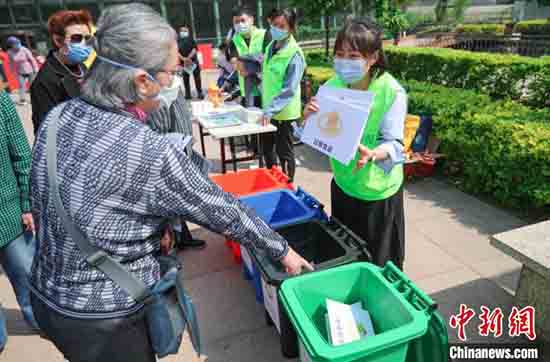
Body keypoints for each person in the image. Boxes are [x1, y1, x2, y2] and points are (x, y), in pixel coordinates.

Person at [29, 5, 312, 362]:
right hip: (106, 318)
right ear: (141, 81)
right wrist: (283, 251)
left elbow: (48, 195)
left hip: (48, 296)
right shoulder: (147, 148)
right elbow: (221, 208)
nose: (172, 83)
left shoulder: (59, 116)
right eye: (169, 73)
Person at [303, 19, 406, 269]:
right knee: (347, 253)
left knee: (379, 261)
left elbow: (395, 145)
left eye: (353, 55)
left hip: (376, 194)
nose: (344, 61)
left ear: (373, 57)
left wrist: (373, 153)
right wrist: (309, 116)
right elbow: (322, 132)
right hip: (343, 185)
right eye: (339, 54)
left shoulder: (390, 91)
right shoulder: (332, 85)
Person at [147, 73, 209, 250]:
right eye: (167, 71)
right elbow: (158, 130)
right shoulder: (158, 99)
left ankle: (183, 236)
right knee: (173, 198)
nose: (172, 74)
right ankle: (173, 242)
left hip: (182, 148)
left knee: (181, 196)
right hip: (171, 154)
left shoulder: (173, 89)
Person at [0, 89, 40, 352]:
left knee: (28, 278)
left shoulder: (1, 101)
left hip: (9, 214)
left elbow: (22, 155)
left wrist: (27, 204)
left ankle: (44, 322)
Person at [30, 10, 93, 136]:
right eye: (76, 38)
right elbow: (45, 132)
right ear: (58, 41)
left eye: (87, 38)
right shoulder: (45, 81)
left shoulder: (82, 67)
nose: (84, 44)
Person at [261, 8, 306, 183]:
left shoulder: (294, 55)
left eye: (282, 26)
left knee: (284, 152)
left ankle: (287, 185)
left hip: (285, 114)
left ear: (291, 29)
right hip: (269, 111)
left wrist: (270, 110)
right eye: (274, 25)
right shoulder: (271, 46)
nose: (276, 29)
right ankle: (271, 181)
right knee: (267, 149)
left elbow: (289, 89)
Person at [228, 6, 271, 108]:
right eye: (236, 22)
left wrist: (245, 62)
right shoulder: (234, 40)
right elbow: (235, 63)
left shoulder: (265, 34)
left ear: (251, 20)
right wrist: (255, 60)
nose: (240, 24)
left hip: (267, 88)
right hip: (247, 92)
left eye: (243, 20)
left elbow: (268, 58)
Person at [6, 37, 38, 105]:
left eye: (17, 43)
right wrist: (12, 71)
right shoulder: (10, 52)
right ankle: (23, 99)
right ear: (11, 45)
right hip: (19, 71)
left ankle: (35, 99)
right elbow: (11, 62)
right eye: (15, 44)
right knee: (21, 85)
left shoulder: (24, 49)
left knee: (32, 86)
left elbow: (32, 59)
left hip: (30, 70)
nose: (17, 45)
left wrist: (35, 68)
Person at [177, 25, 204, 100]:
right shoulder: (177, 40)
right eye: (182, 31)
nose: (183, 32)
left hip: (193, 62)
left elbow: (195, 49)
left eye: (185, 31)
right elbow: (177, 52)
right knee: (185, 79)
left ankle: (199, 92)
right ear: (179, 32)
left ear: (188, 32)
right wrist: (183, 59)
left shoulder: (191, 39)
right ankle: (188, 94)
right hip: (184, 63)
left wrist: (188, 58)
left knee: (197, 78)